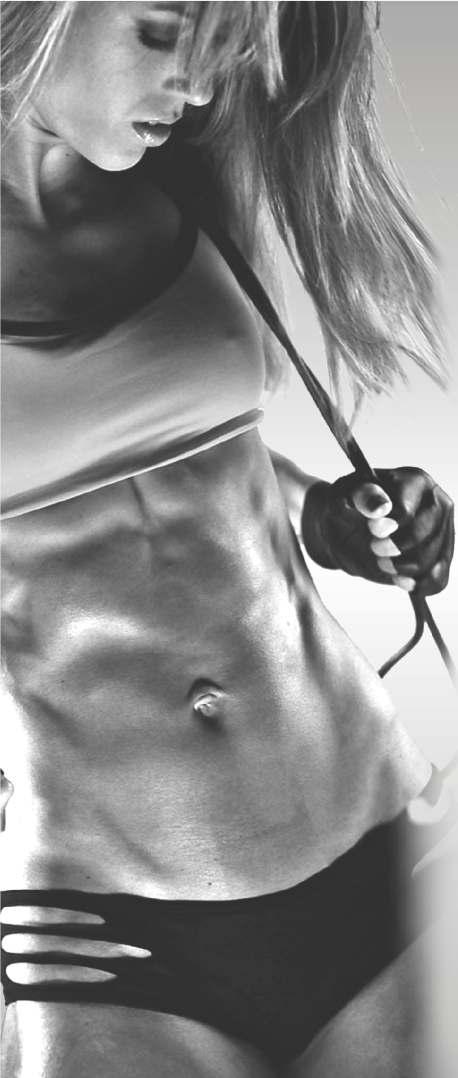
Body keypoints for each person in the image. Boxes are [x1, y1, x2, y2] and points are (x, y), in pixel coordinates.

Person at [0, 3, 455, 1076]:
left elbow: (210, 462)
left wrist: (333, 517)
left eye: (216, 57)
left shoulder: (182, 186)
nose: (197, 90)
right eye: (162, 34)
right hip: (104, 933)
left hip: (380, 854)